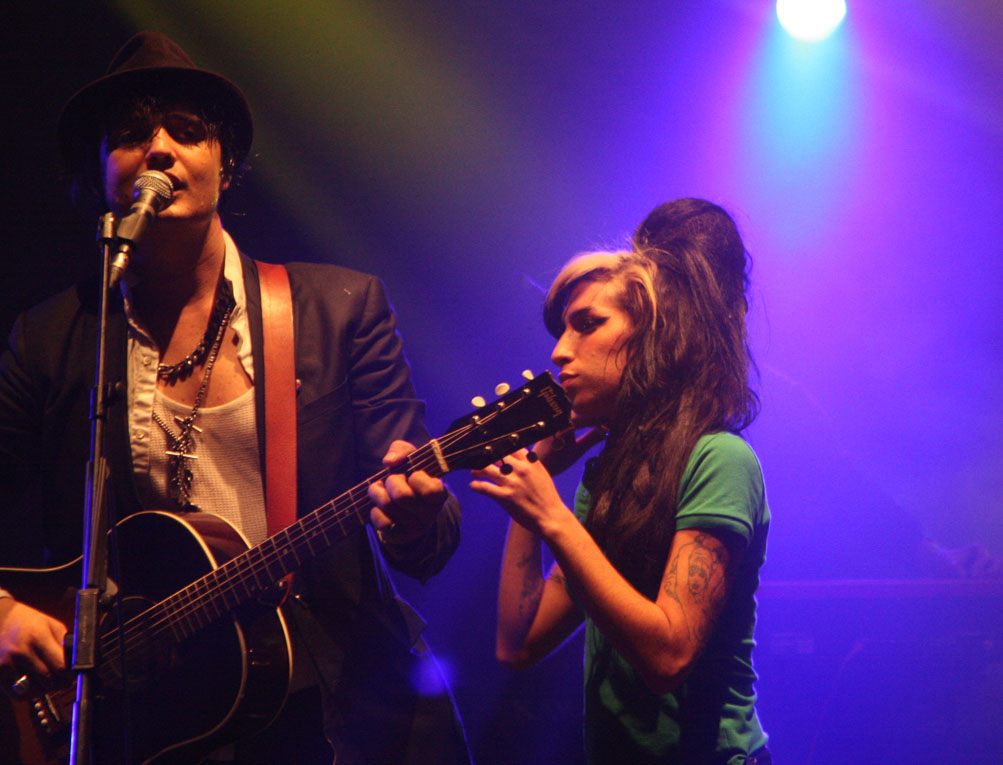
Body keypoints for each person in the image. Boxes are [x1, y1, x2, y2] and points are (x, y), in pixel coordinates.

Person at [0, 31, 469, 764]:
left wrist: (412, 518)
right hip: (157, 722)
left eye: (187, 132)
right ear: (98, 173)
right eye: (129, 136)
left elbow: (431, 543)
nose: (159, 150)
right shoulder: (53, 338)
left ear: (227, 163)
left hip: (336, 707)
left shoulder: (338, 310)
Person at [471, 198, 770, 763]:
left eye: (588, 324)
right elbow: (517, 643)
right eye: (562, 330)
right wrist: (534, 499)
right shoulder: (608, 477)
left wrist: (556, 519)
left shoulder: (720, 460)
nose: (559, 352)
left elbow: (668, 656)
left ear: (654, 332)